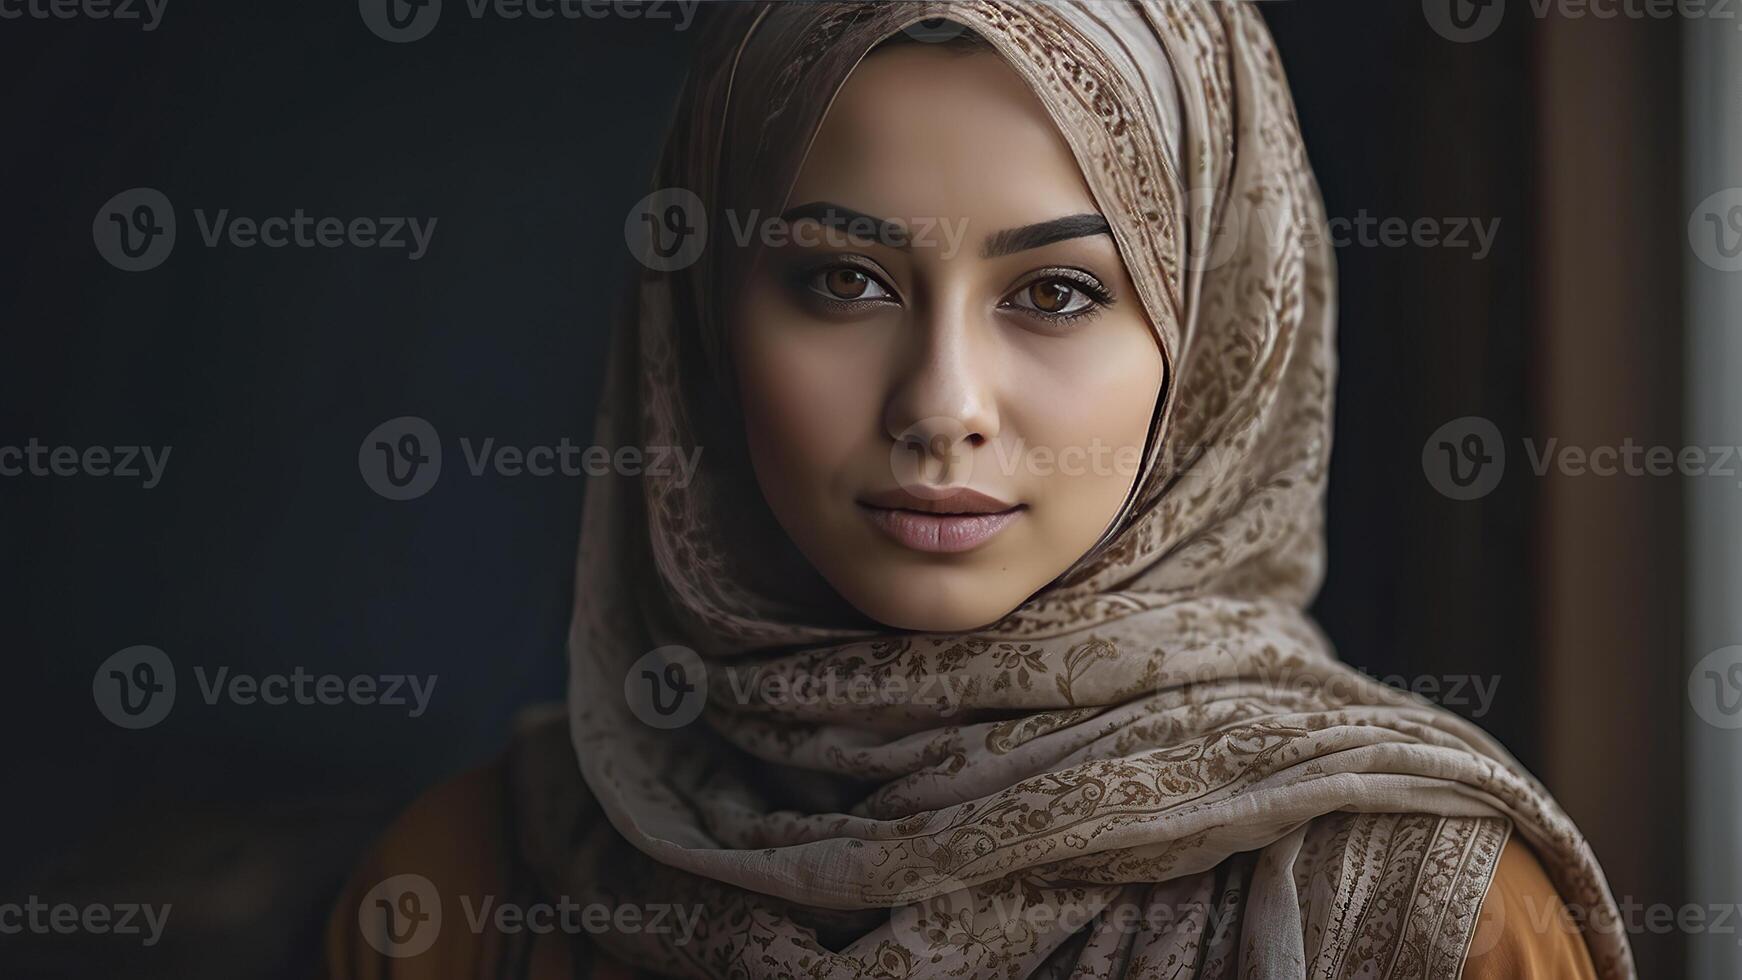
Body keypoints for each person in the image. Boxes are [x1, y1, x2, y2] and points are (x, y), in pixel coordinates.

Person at [326, 3, 1631, 976]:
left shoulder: (1428, 916)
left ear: (1221, 346)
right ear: (698, 326)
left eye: (1057, 293)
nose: (940, 404)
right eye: (841, 280)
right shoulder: (468, 885)